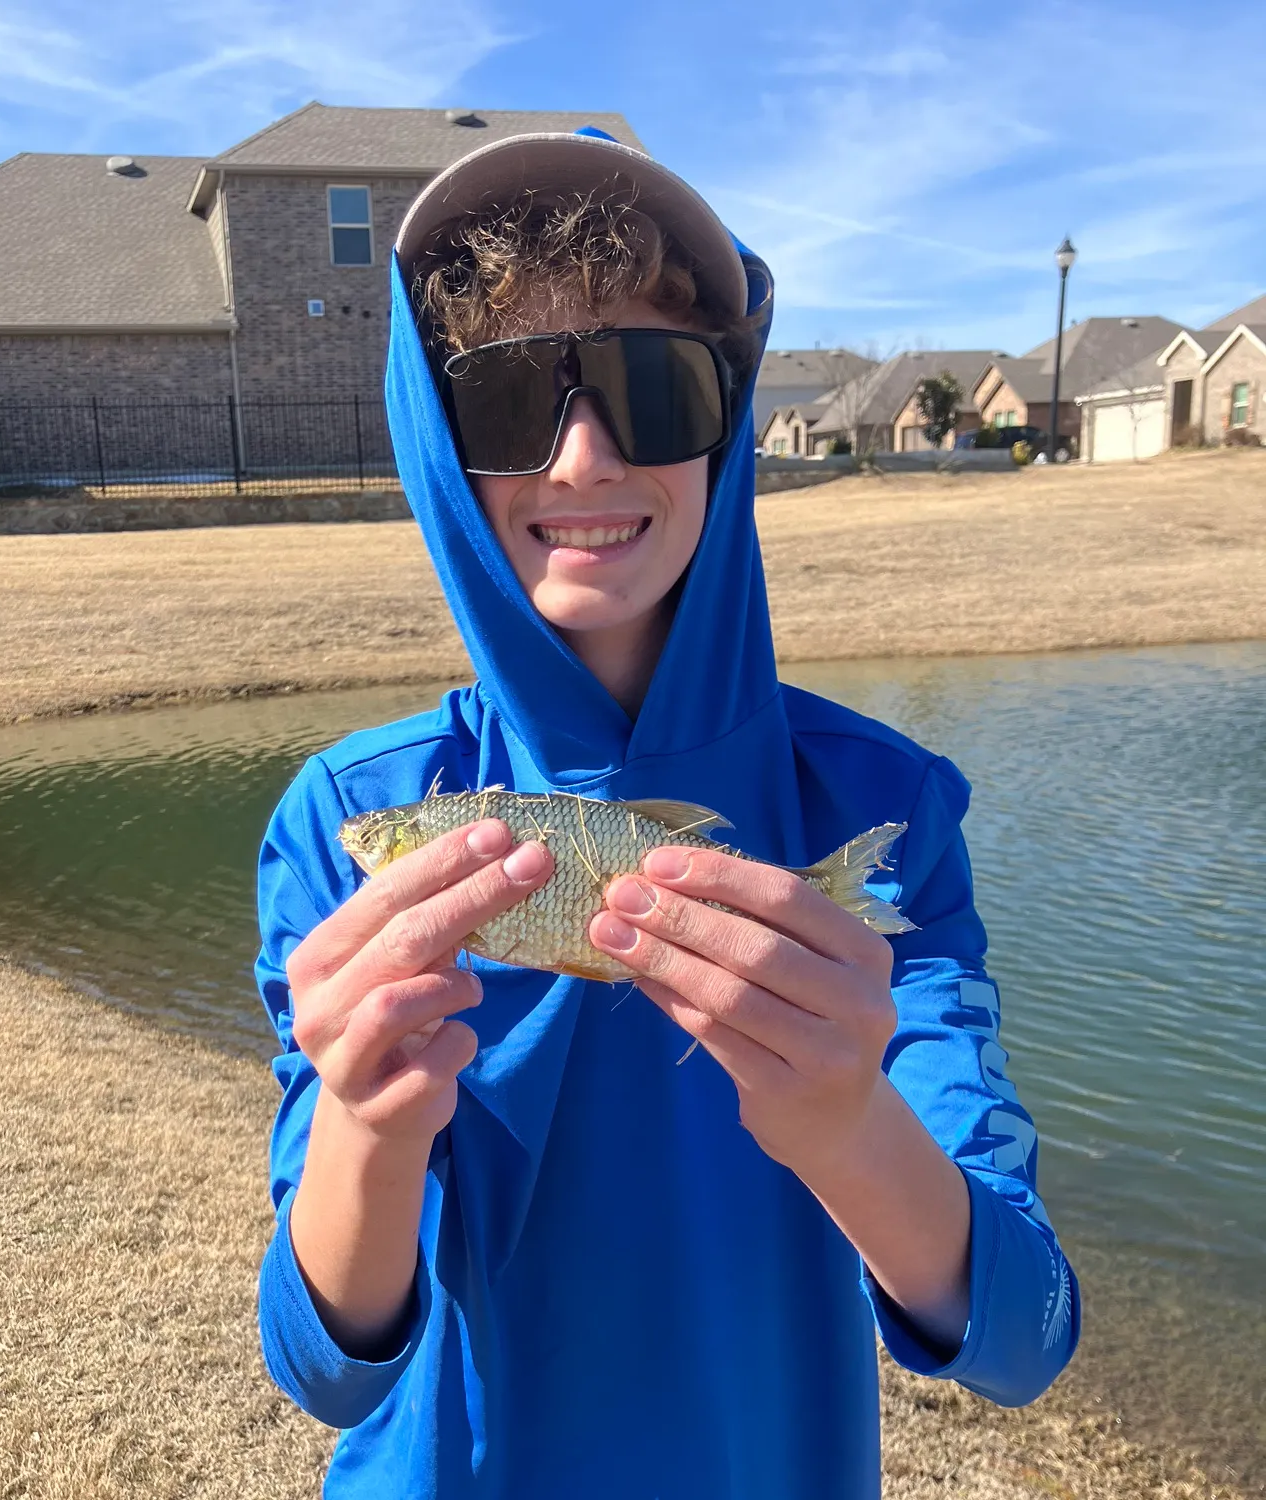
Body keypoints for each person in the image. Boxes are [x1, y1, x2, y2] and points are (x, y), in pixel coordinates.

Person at [255, 128, 1079, 1499]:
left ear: (728, 423)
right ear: (436, 445)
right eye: (505, 399)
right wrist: (366, 1119)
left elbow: (1023, 1338)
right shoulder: (354, 814)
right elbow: (325, 1370)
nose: (582, 459)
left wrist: (846, 1121)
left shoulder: (882, 808)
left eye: (652, 385)